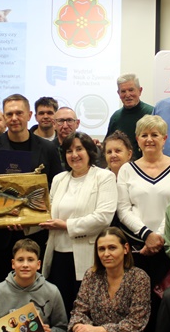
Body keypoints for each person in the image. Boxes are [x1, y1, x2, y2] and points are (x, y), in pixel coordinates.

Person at [0, 94, 64, 282]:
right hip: (1, 234)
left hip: (37, 231)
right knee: (3, 285)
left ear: (29, 115)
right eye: (9, 114)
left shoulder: (47, 149)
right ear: (4, 117)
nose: (14, 118)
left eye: (19, 113)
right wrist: (4, 216)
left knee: (36, 285)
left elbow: (57, 188)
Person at [39, 132, 117, 314]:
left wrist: (66, 225)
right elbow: (47, 213)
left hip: (88, 254)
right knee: (62, 308)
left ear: (90, 151)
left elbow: (103, 217)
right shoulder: (59, 179)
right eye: (69, 151)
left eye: (79, 149)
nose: (74, 155)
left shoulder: (104, 177)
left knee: (86, 309)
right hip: (58, 253)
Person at [116, 115, 170, 286]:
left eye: (155, 134)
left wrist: (158, 236)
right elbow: (123, 210)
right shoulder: (127, 169)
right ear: (137, 139)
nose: (149, 139)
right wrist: (147, 234)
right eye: (144, 135)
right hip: (137, 248)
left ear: (164, 138)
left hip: (169, 247)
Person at [106, 73, 154, 159]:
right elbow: (109, 144)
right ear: (118, 93)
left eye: (131, 90)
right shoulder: (115, 117)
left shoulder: (152, 113)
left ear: (140, 91)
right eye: (123, 91)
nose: (127, 95)